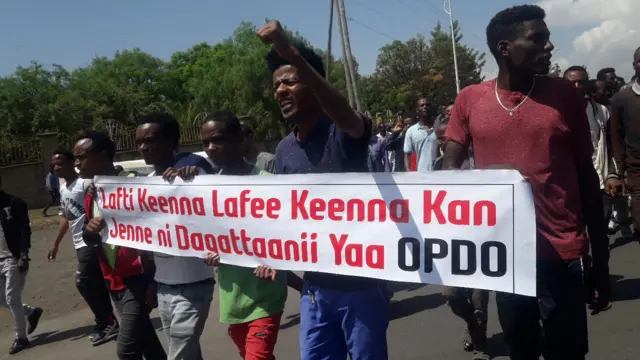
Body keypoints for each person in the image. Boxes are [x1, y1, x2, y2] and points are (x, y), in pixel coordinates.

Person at [442, 5, 610, 360]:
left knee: (568, 352)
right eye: (539, 39)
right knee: (522, 349)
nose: (549, 47)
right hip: (508, 260)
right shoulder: (470, 99)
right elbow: (448, 173)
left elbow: (585, 175)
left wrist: (600, 262)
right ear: (505, 48)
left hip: (562, 254)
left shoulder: (565, 96)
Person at [259, 20, 388, 360]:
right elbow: (286, 213)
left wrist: (293, 54)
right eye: (276, 85)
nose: (280, 91)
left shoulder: (343, 133)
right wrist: (270, 251)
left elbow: (347, 117)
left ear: (315, 87)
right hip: (314, 290)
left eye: (290, 81)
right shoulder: (284, 150)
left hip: (362, 288)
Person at [169, 110, 291, 360]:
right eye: (205, 143)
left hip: (265, 294)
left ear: (239, 139)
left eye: (219, 140)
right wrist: (177, 183)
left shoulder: (269, 184)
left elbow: (289, 236)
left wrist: (276, 261)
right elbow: (199, 233)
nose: (211, 148)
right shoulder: (206, 188)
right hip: (232, 296)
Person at [76, 131, 166, 360]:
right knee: (148, 344)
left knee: (126, 349)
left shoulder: (134, 184)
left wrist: (155, 279)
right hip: (113, 280)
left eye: (83, 157)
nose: (77, 164)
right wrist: (90, 231)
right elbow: (90, 238)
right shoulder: (91, 194)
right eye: (75, 158)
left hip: (139, 279)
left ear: (103, 156)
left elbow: (156, 230)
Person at [134, 112, 215, 360]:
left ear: (172, 141)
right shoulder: (146, 184)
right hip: (164, 288)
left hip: (194, 286)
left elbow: (217, 207)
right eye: (139, 142)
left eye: (150, 140)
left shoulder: (194, 173)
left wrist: (194, 180)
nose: (143, 147)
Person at [47, 149, 119, 346]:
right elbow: (66, 217)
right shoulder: (64, 188)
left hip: (92, 241)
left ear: (72, 163)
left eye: (61, 162)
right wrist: (55, 244)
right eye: (54, 164)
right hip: (79, 242)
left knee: (84, 281)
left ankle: (107, 322)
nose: (56, 167)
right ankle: (109, 322)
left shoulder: (85, 183)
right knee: (95, 283)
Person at [564, 66, 630, 245]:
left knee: (600, 227)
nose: (577, 86)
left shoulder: (601, 111)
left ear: (587, 84)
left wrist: (613, 173)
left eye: (581, 82)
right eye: (572, 82)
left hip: (599, 178)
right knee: (576, 230)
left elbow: (610, 144)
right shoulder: (556, 113)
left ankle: (600, 267)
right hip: (570, 182)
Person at [0, 175, 43, 354]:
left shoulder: (14, 203)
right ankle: (31, 312)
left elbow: (25, 230)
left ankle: (21, 338)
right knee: (2, 299)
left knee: (11, 298)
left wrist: (23, 255)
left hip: (13, 258)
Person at [610, 46, 640, 241]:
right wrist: (617, 172)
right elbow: (617, 137)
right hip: (636, 167)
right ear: (634, 65)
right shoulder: (621, 99)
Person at [404, 97, 439, 172]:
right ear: (417, 110)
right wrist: (408, 172)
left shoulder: (438, 129)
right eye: (422, 105)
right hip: (420, 175)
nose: (425, 107)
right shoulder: (411, 131)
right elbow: (407, 154)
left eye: (427, 105)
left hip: (438, 174)